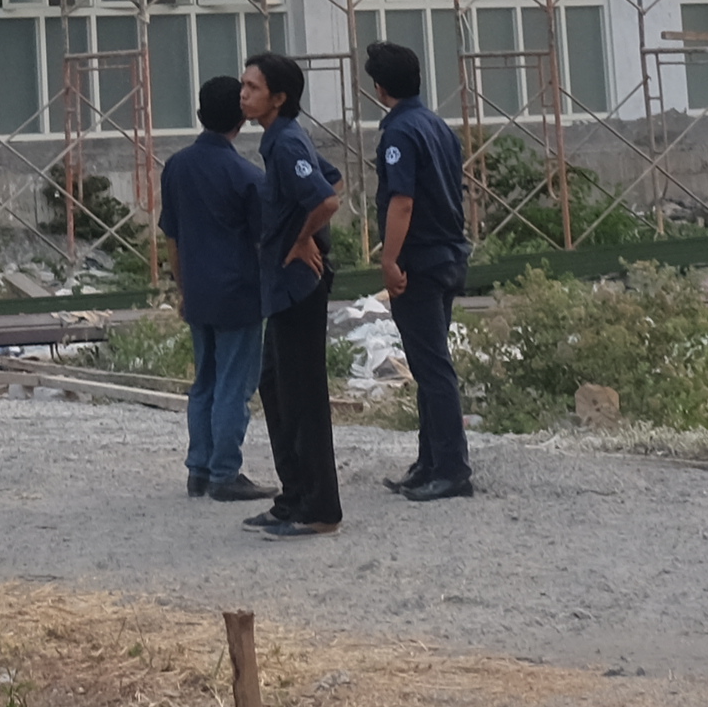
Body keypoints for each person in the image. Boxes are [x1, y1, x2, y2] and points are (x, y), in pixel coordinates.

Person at [239, 51, 344, 536]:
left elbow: (327, 198)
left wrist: (305, 239)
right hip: (279, 287)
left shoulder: (285, 143)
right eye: (243, 86)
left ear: (279, 98)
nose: (243, 95)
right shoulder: (279, 139)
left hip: (298, 286)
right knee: (275, 385)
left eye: (253, 88)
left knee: (302, 397)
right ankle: (294, 495)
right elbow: (331, 175)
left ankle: (320, 508)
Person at [152, 72, 270, 503]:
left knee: (204, 380)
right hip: (238, 291)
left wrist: (183, 287)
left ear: (200, 112)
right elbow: (263, 241)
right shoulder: (247, 175)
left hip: (198, 288)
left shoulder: (177, 166)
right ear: (241, 117)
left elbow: (172, 235)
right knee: (234, 385)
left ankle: (198, 469)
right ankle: (225, 472)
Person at [366, 40, 472, 502]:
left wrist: (389, 259)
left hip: (420, 261)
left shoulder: (399, 133)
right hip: (447, 254)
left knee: (432, 369)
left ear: (379, 87)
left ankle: (451, 468)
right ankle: (430, 460)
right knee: (430, 363)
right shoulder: (437, 126)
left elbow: (402, 201)